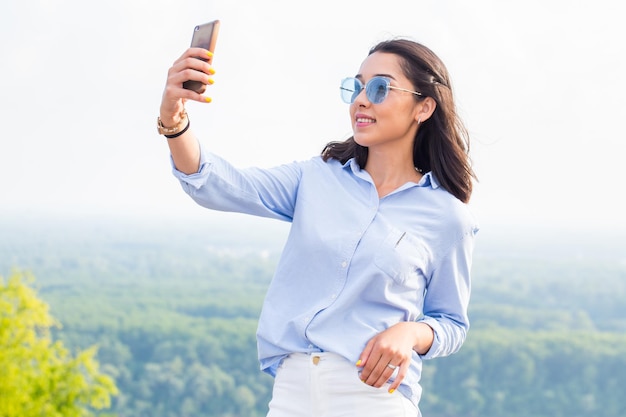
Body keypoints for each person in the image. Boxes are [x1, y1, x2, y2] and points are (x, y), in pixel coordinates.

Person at [158, 37, 479, 417]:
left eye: (379, 88)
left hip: (374, 398)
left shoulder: (446, 217)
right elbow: (216, 184)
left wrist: (410, 333)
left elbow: (451, 323)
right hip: (292, 395)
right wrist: (174, 120)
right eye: (356, 86)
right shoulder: (314, 178)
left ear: (423, 107)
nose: (361, 99)